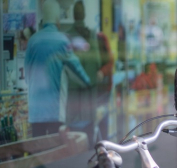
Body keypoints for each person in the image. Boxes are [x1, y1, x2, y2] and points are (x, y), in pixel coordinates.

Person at [24, 0, 90, 137]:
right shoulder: (62, 41)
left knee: (38, 149)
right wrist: (88, 82)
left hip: (36, 110)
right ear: (57, 19)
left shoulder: (33, 41)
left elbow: (26, 74)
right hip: (55, 110)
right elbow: (77, 69)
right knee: (55, 150)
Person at [66, 1, 113, 147]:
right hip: (85, 89)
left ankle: (101, 148)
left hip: (93, 90)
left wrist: (101, 73)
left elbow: (108, 61)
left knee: (88, 127)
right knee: (84, 126)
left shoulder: (96, 37)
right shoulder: (78, 36)